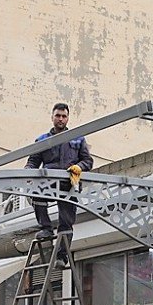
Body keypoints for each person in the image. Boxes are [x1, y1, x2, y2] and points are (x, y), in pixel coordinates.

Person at [25, 102, 94, 263]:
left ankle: (62, 257)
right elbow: (33, 162)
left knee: (66, 222)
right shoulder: (42, 140)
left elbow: (88, 161)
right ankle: (46, 228)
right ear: (52, 117)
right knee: (36, 194)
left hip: (69, 184)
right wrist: (28, 173)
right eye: (58, 116)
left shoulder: (77, 138)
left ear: (68, 118)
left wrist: (79, 166)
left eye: (64, 116)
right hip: (48, 182)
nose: (61, 119)